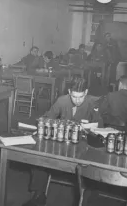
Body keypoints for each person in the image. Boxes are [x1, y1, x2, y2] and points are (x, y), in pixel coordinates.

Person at [22, 77, 99, 206]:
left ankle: (87, 199)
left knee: (92, 167)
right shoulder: (62, 101)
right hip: (62, 142)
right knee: (40, 156)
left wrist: (89, 127)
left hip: (83, 146)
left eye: (81, 97)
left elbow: (100, 128)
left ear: (86, 92)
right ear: (69, 92)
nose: (77, 100)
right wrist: (44, 124)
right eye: (74, 96)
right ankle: (38, 195)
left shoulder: (94, 103)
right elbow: (47, 117)